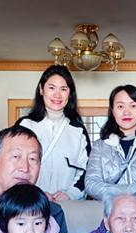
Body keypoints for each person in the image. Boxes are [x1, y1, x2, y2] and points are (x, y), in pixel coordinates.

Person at [18, 65, 90, 201]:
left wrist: (71, 194)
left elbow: (87, 169)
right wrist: (35, 194)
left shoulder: (78, 130)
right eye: (52, 88)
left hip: (68, 204)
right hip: (30, 202)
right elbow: (15, 165)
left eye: (63, 89)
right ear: (41, 89)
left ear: (70, 93)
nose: (57, 95)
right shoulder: (25, 125)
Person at [85, 84, 136, 200]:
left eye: (133, 106)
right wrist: (123, 193)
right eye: (120, 106)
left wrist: (128, 192)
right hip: (108, 209)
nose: (126, 112)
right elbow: (91, 184)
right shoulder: (99, 146)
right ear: (113, 111)